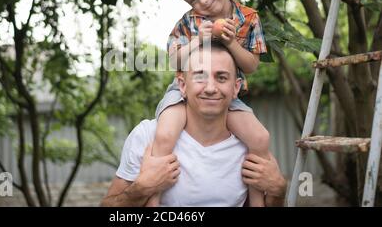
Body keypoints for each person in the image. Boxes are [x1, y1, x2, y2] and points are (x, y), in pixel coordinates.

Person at [149, 0, 270, 206]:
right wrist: (197, 41)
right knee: (164, 134)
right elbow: (175, 61)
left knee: (260, 138)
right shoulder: (189, 22)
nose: (202, 1)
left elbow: (251, 66)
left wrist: (231, 43)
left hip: (226, 95)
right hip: (184, 93)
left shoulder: (248, 18)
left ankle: (257, 202)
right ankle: (153, 201)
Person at [101, 41, 286, 207]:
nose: (211, 88)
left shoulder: (249, 146)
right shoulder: (148, 136)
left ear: (236, 87)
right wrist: (142, 188)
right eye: (200, 77)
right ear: (182, 85)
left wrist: (278, 192)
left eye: (221, 78)